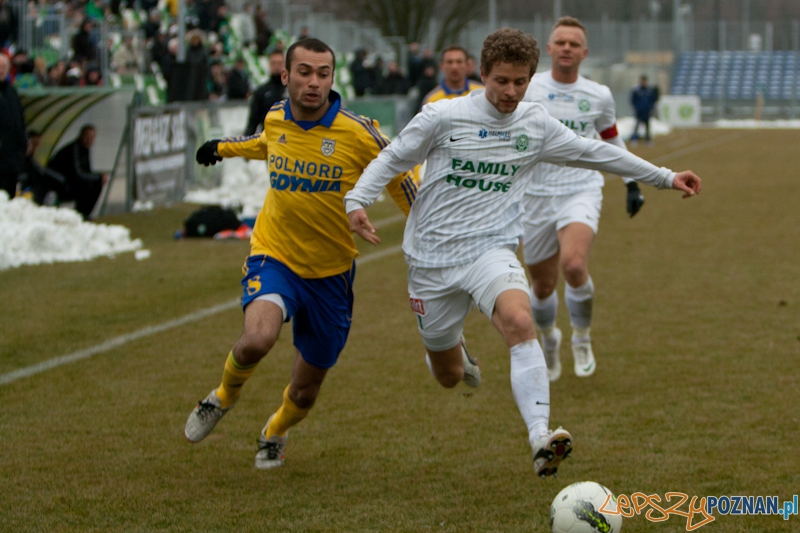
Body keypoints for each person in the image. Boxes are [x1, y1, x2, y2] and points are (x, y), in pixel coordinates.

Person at [345, 28, 701, 478]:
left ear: (532, 77)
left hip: (489, 250)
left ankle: (540, 437)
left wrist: (665, 177)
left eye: (521, 82)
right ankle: (458, 350)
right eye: (501, 81)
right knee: (449, 375)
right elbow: (392, 158)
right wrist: (356, 201)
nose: (511, 92)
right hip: (430, 261)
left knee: (519, 320)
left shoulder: (534, 123)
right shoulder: (441, 116)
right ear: (483, 74)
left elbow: (597, 153)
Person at [185, 38, 419, 470]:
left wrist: (427, 227)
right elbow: (261, 143)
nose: (314, 83)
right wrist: (221, 147)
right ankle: (221, 397)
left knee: (305, 391)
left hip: (331, 274)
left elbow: (399, 176)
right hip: (274, 254)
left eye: (323, 74)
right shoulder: (276, 116)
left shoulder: (358, 132)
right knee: (257, 339)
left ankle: (274, 432)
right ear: (286, 76)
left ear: (333, 78)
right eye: (305, 72)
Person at [520, 16, 646, 381]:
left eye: (574, 44)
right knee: (542, 286)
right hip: (534, 197)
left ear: (584, 53)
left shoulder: (598, 95)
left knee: (574, 265)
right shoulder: (529, 89)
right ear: (548, 49)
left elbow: (611, 140)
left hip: (580, 188)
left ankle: (582, 337)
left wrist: (631, 182)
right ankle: (549, 338)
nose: (566, 48)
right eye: (560, 42)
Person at [47, 124, 109, 220]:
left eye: (92, 137)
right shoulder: (74, 149)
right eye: (87, 136)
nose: (89, 140)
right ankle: (81, 215)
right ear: (81, 136)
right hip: (61, 185)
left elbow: (86, 171)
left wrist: (99, 177)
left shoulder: (85, 150)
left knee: (96, 184)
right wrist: (98, 177)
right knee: (91, 185)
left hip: (71, 183)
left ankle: (84, 214)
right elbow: (77, 173)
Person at [0, 53, 26, 199]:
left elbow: (20, 119)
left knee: (10, 194)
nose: (1, 70)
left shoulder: (12, 92)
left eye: (4, 67)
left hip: (13, 158)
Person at [19, 129, 67, 204]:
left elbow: (41, 170)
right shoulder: (20, 158)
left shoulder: (31, 159)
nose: (35, 147)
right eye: (33, 143)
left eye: (37, 144)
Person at [245, 49, 286, 135]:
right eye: (273, 63)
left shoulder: (293, 90)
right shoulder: (261, 92)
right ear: (269, 65)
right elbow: (253, 122)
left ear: (285, 65)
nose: (277, 66)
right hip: (268, 139)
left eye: (279, 63)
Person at [630, 75, 659, 145]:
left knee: (647, 125)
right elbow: (633, 100)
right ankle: (634, 138)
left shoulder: (650, 90)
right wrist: (637, 108)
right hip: (639, 111)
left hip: (647, 111)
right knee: (637, 125)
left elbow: (654, 99)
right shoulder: (637, 90)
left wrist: (651, 107)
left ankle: (647, 139)